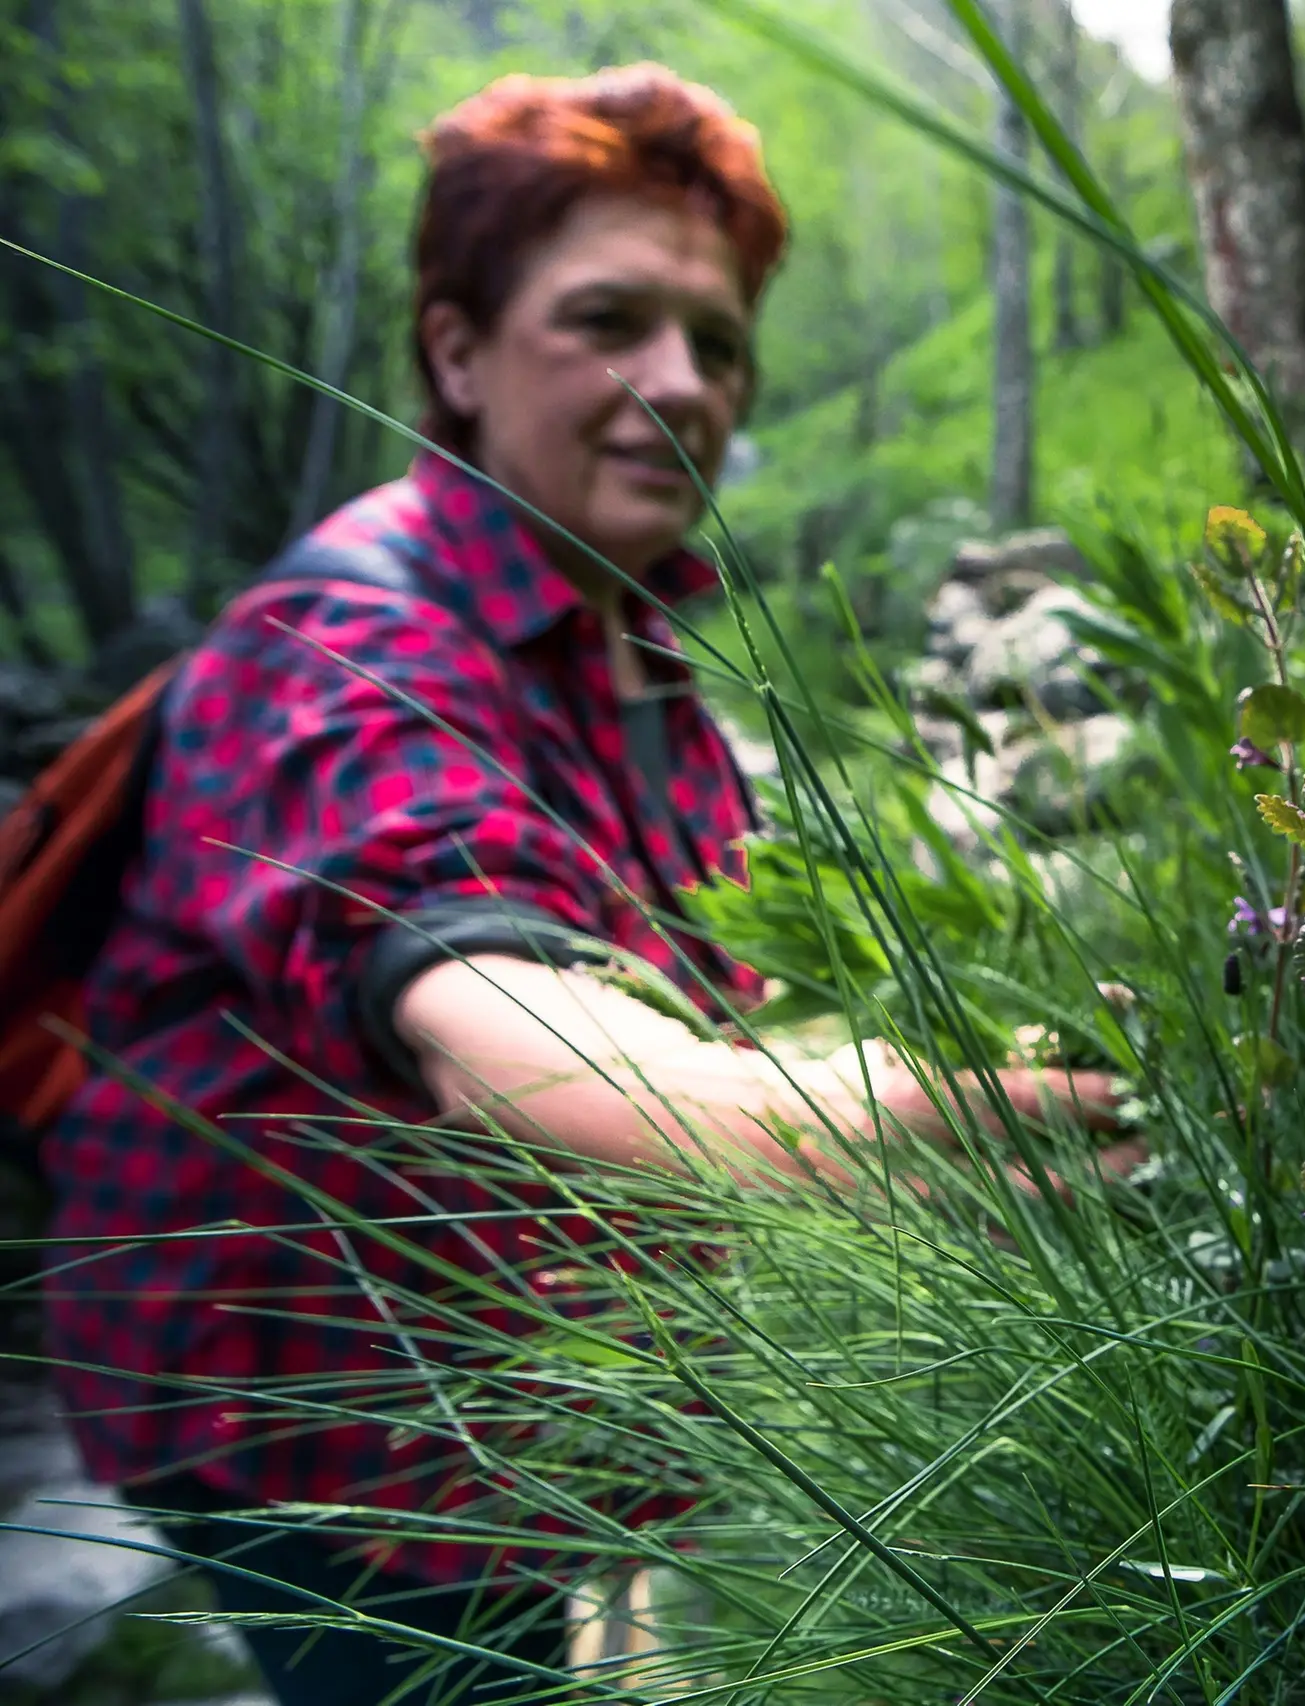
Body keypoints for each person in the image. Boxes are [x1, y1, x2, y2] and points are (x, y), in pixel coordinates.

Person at [39, 64, 1117, 1706]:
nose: (682, 383)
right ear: (459, 351)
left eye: (721, 338)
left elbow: (675, 974)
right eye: (608, 319)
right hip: (297, 1395)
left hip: (498, 1370)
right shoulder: (346, 636)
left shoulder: (641, 638)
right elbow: (493, 1021)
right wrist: (822, 1119)